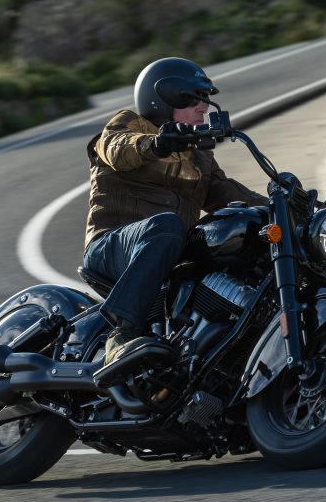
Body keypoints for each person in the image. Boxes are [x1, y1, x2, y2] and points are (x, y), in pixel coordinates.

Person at [83, 57, 268, 384]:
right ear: (166, 98)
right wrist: (155, 144)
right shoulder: (130, 125)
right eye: (195, 98)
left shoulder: (199, 156)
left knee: (246, 235)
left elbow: (226, 192)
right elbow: (116, 148)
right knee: (167, 225)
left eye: (205, 99)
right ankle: (122, 334)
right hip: (113, 248)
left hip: (169, 256)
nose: (203, 107)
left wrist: (287, 205)